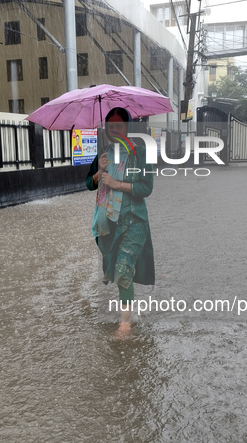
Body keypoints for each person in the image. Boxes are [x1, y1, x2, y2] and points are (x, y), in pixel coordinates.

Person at [85, 107, 155, 338]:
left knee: (123, 270)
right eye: (110, 127)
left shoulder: (140, 152)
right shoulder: (104, 154)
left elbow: (146, 188)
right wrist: (99, 172)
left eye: (119, 126)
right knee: (116, 270)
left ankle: (125, 324)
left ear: (128, 128)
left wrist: (116, 184)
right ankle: (129, 311)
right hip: (110, 223)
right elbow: (88, 184)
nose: (114, 131)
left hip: (134, 222)